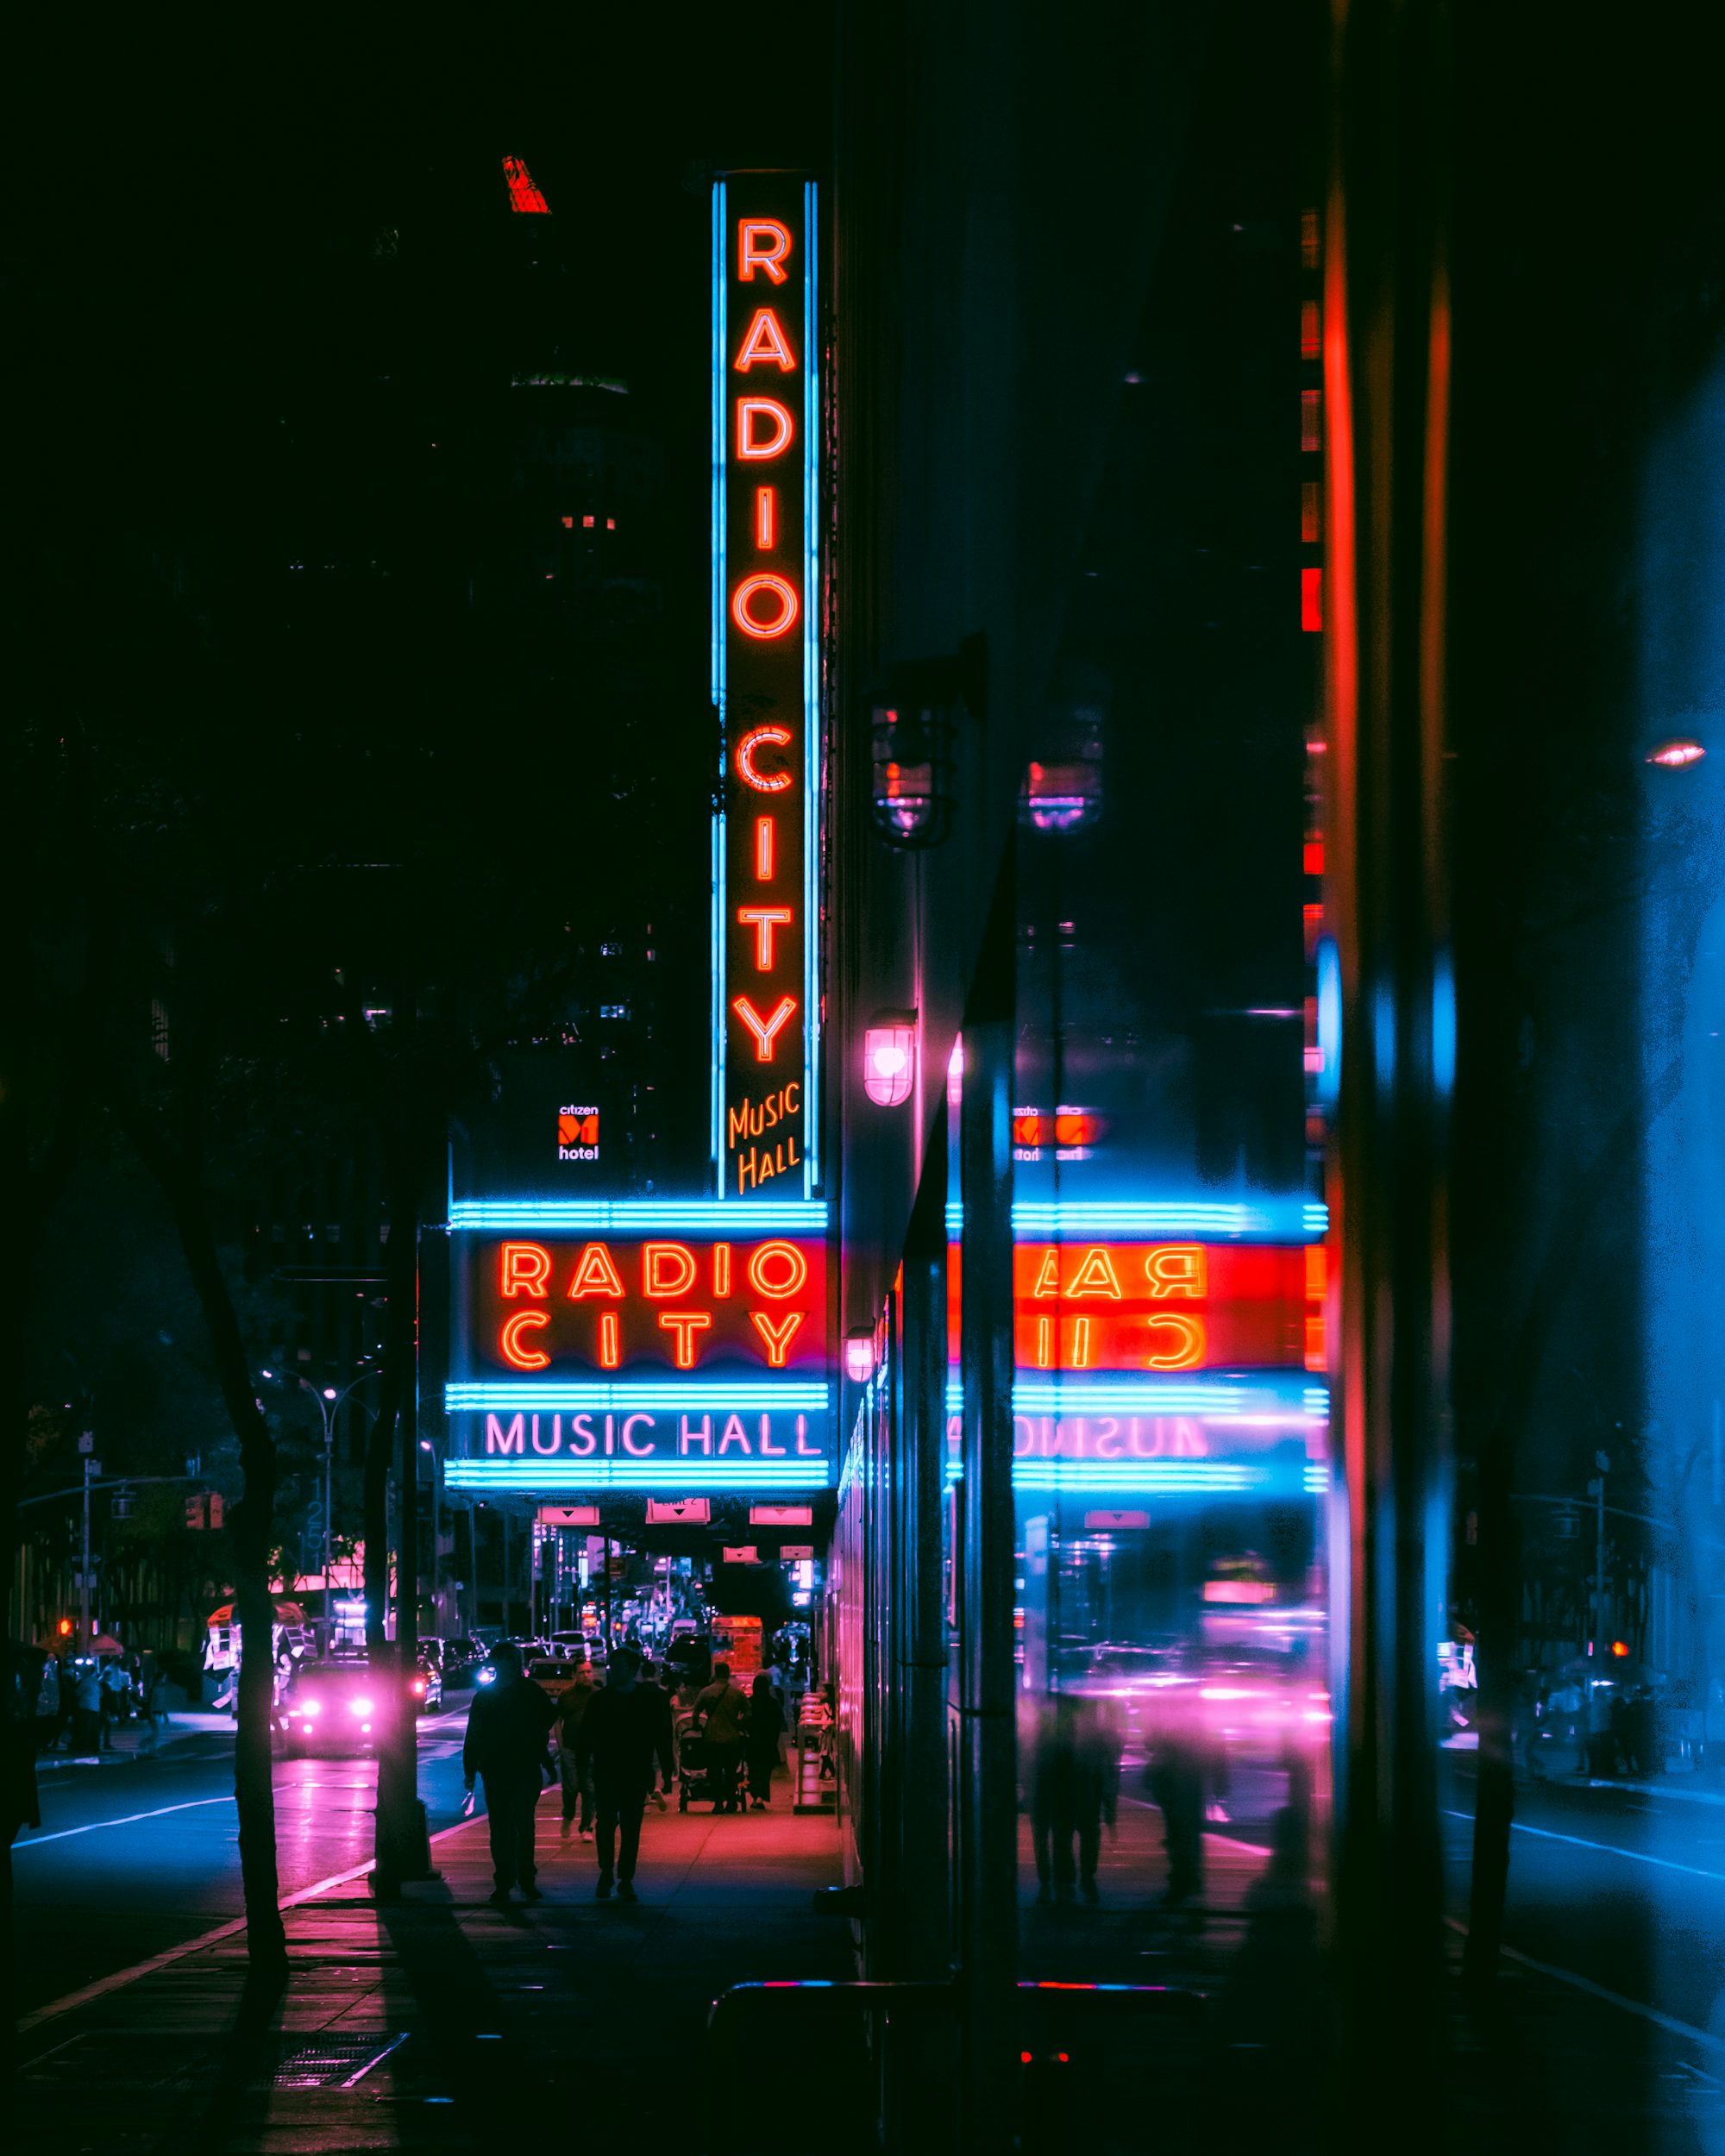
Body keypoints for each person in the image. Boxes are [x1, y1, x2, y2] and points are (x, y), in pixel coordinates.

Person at [575, 1644, 676, 1902]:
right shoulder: (601, 1699)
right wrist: (581, 1766)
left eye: (619, 1667)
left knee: (631, 1827)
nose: (613, 1671)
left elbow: (662, 1737)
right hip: (607, 1771)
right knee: (607, 1823)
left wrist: (667, 1770)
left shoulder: (649, 1700)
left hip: (635, 1772)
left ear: (633, 1670)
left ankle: (625, 1878)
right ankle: (608, 1871)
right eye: (612, 1666)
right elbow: (586, 1736)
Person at [462, 1641, 558, 1907]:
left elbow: (474, 1736)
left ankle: (514, 1879)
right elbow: (547, 1720)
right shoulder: (524, 1692)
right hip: (509, 1768)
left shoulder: (489, 1696)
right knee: (511, 1826)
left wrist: (470, 1769)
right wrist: (470, 1769)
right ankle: (514, 1879)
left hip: (509, 1768)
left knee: (513, 1826)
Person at [691, 1660, 749, 1814]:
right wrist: (739, 1723)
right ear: (728, 1674)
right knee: (731, 1772)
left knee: (714, 1772)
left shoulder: (706, 1692)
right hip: (732, 1739)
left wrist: (697, 1726)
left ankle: (718, 1803)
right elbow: (749, 1712)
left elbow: (695, 1713)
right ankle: (731, 1802)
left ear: (715, 1674)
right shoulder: (737, 1693)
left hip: (712, 1738)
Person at [553, 1651, 598, 1840]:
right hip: (570, 1748)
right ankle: (568, 1816)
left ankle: (587, 1826)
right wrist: (561, 1746)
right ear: (574, 1675)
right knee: (571, 1787)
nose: (586, 1676)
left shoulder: (598, 1695)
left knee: (589, 1788)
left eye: (588, 1672)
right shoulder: (566, 1695)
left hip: (592, 1750)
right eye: (582, 1673)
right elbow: (557, 1721)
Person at [744, 1671, 785, 1809]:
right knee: (764, 1772)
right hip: (767, 1743)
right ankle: (761, 1797)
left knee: (753, 1770)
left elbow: (746, 1721)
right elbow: (777, 1723)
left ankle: (755, 1796)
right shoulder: (772, 1704)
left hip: (752, 1742)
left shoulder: (750, 1702)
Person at [72, 1661, 103, 1756]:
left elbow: (77, 1693)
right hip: (95, 1707)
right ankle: (94, 1747)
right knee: (93, 1728)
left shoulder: (85, 1681)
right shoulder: (95, 1681)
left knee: (86, 1728)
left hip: (86, 1707)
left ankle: (85, 1747)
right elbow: (101, 1693)